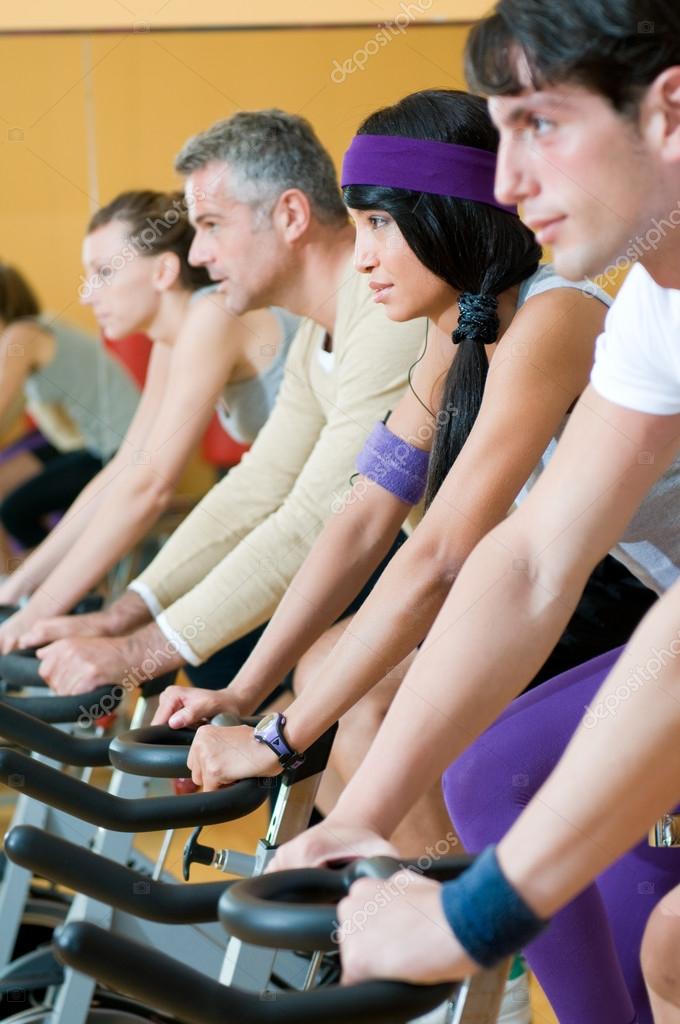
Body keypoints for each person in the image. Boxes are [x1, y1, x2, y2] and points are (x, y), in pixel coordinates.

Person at [285, 3, 680, 1023]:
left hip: (641, 604)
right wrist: (360, 811)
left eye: (537, 126)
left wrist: (472, 914)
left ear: (669, 113)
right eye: (496, 134)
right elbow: (530, 557)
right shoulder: (649, 307)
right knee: (495, 772)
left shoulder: (565, 311)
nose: (504, 183)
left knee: (662, 937)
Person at [150, 89, 662, 876]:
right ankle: (412, 928)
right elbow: (362, 521)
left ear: (451, 216)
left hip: (637, 599)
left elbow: (443, 555)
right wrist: (247, 695)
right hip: (572, 587)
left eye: (380, 224)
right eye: (357, 226)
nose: (362, 257)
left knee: (371, 715)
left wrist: (277, 736)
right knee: (322, 662)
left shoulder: (555, 317)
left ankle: (469, 972)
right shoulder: (454, 333)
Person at [23, 110, 426, 695]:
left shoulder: (386, 314)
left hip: (533, 576)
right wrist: (121, 616)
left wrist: (138, 647)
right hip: (423, 558)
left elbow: (315, 515)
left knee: (319, 687)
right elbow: (255, 485)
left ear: (290, 215)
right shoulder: (317, 333)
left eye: (212, 225)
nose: (197, 255)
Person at [0, 189, 297, 649]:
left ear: (163, 271)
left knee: (206, 655)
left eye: (103, 273)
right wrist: (20, 590)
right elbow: (125, 469)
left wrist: (36, 613)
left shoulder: (212, 315)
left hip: (355, 517)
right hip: (303, 516)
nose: (86, 294)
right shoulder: (170, 338)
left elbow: (151, 488)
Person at [0, 262, 139, 573]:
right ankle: (22, 584)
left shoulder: (22, 335)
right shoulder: (29, 331)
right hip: (83, 442)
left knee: (15, 511)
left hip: (117, 448)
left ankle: (43, 585)